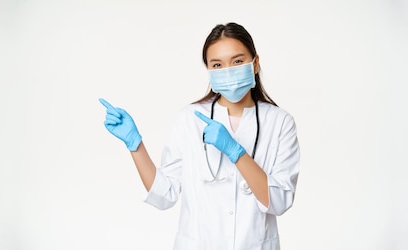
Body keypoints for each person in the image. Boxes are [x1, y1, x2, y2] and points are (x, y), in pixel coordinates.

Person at [99, 22, 300, 250]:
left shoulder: (280, 122)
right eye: (217, 64)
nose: (228, 70)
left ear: (255, 64)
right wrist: (136, 146)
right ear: (209, 70)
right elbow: (165, 194)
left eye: (237, 61)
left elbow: (280, 201)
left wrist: (235, 152)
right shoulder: (190, 118)